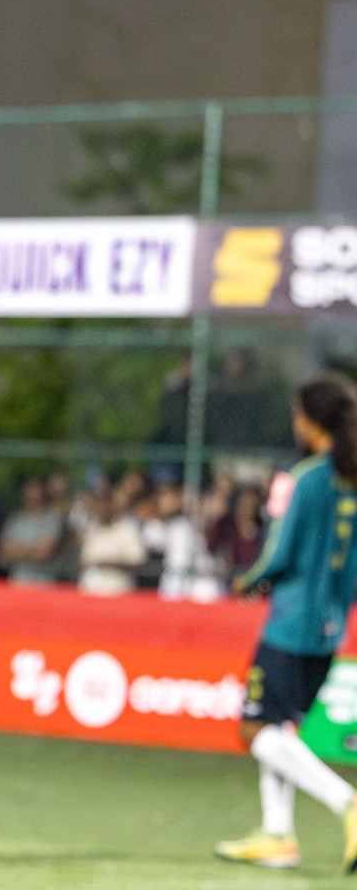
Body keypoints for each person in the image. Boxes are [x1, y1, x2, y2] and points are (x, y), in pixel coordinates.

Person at [215, 374, 357, 872]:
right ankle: (278, 835)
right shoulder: (353, 479)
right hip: (329, 628)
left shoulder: (304, 479)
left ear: (310, 421)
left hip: (290, 624)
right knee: (279, 731)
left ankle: (348, 804)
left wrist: (246, 581)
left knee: (255, 731)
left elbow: (279, 552)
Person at [0, 477, 63, 585]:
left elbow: (44, 553)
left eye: (36, 490)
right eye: (29, 490)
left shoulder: (52, 519)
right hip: (18, 582)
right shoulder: (15, 520)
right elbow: (5, 554)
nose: (32, 495)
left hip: (44, 584)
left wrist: (17, 550)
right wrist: (34, 549)